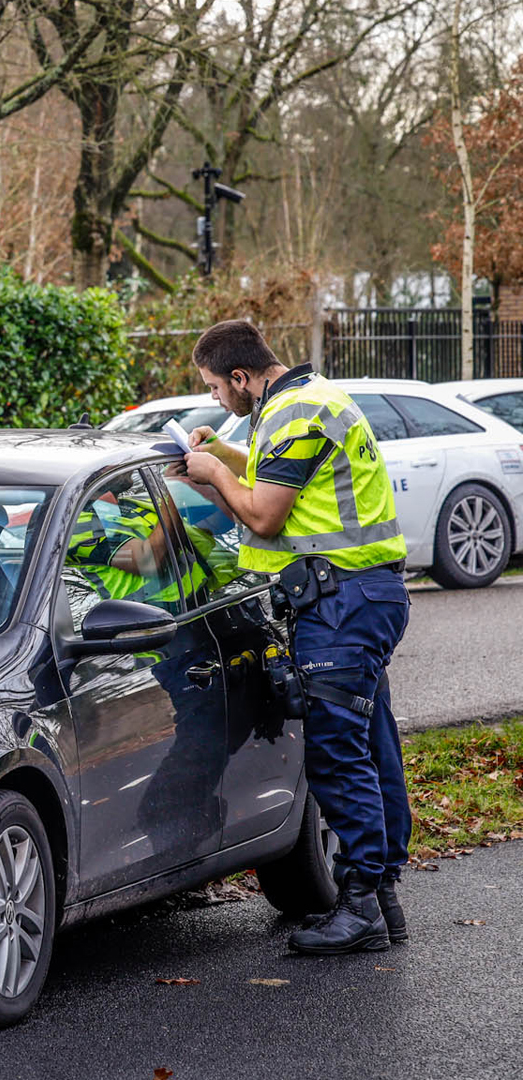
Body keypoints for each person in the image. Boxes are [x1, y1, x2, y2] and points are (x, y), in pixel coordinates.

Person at [180, 319, 411, 955]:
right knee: (370, 746)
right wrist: (218, 466)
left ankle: (361, 904)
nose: (216, 400)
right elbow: (266, 513)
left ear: (241, 376)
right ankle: (381, 898)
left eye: (214, 387)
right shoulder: (304, 402)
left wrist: (216, 470)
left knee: (338, 755)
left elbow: (263, 512)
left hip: (343, 603)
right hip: (355, 598)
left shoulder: (296, 412)